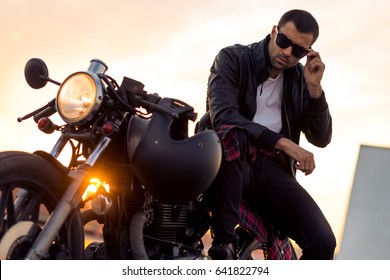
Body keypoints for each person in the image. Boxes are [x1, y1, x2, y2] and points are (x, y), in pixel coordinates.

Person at [197, 9, 336, 259]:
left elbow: (321, 138)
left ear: (307, 53)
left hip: (272, 170)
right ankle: (223, 246)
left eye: (298, 50)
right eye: (284, 41)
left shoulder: (299, 80)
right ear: (274, 32)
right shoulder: (233, 58)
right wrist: (283, 143)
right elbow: (223, 117)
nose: (287, 52)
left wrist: (315, 89)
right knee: (233, 135)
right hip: (228, 159)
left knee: (323, 242)